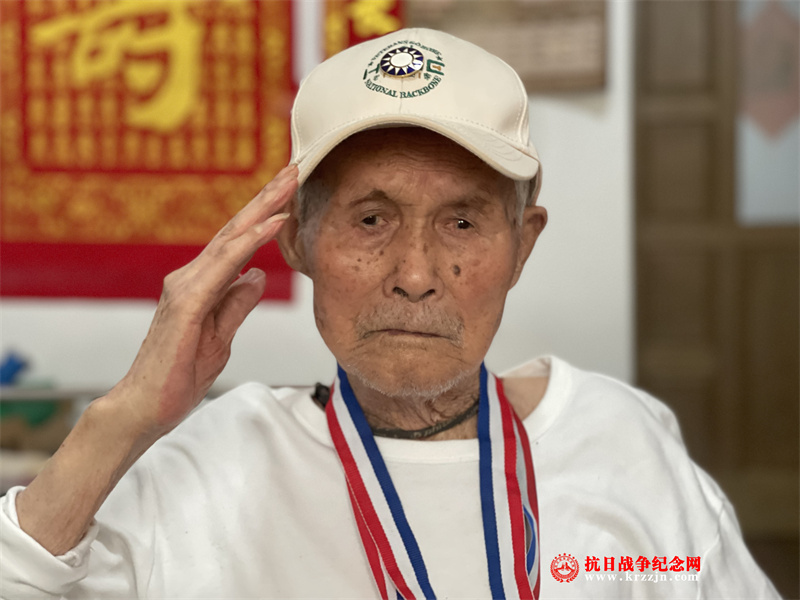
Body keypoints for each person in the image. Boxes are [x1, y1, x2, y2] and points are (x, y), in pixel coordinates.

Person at [0, 28, 779, 599]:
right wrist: (123, 417)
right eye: (371, 220)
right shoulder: (211, 464)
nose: (414, 276)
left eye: (463, 222)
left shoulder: (620, 442)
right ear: (298, 241)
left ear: (522, 245)